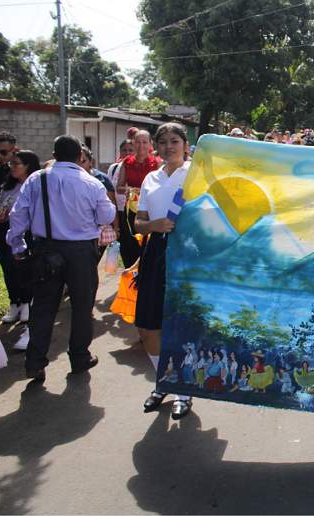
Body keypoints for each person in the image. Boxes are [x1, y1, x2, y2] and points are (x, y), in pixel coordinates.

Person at [7, 135, 116, 382]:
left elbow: (18, 214)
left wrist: (17, 244)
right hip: (81, 252)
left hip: (45, 250)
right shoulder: (91, 182)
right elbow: (106, 216)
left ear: (54, 155)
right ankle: (79, 357)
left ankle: (35, 363)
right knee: (82, 306)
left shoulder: (36, 179)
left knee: (43, 307)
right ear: (80, 156)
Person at [134, 123, 194, 420]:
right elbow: (138, 223)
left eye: (174, 141)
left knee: (180, 326)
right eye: (163, 142)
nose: (168, 147)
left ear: (186, 145)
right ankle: (164, 381)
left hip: (188, 252)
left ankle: (183, 391)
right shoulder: (151, 178)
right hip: (156, 251)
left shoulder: (197, 174)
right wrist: (153, 225)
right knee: (148, 326)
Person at [0, 150, 40, 326]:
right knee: (9, 269)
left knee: (25, 270)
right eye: (11, 164)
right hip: (4, 231)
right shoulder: (8, 185)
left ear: (28, 166)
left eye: (16, 164)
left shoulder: (35, 185)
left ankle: (28, 303)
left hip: (26, 233)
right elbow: (0, 202)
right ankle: (15, 303)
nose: (12, 167)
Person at [116, 130, 161, 267]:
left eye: (144, 142)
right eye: (137, 142)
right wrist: (130, 190)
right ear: (133, 143)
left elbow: (161, 187)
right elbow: (119, 187)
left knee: (148, 244)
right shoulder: (127, 162)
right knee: (131, 244)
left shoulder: (157, 163)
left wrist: (145, 191)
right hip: (132, 209)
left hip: (151, 210)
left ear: (150, 144)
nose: (141, 146)